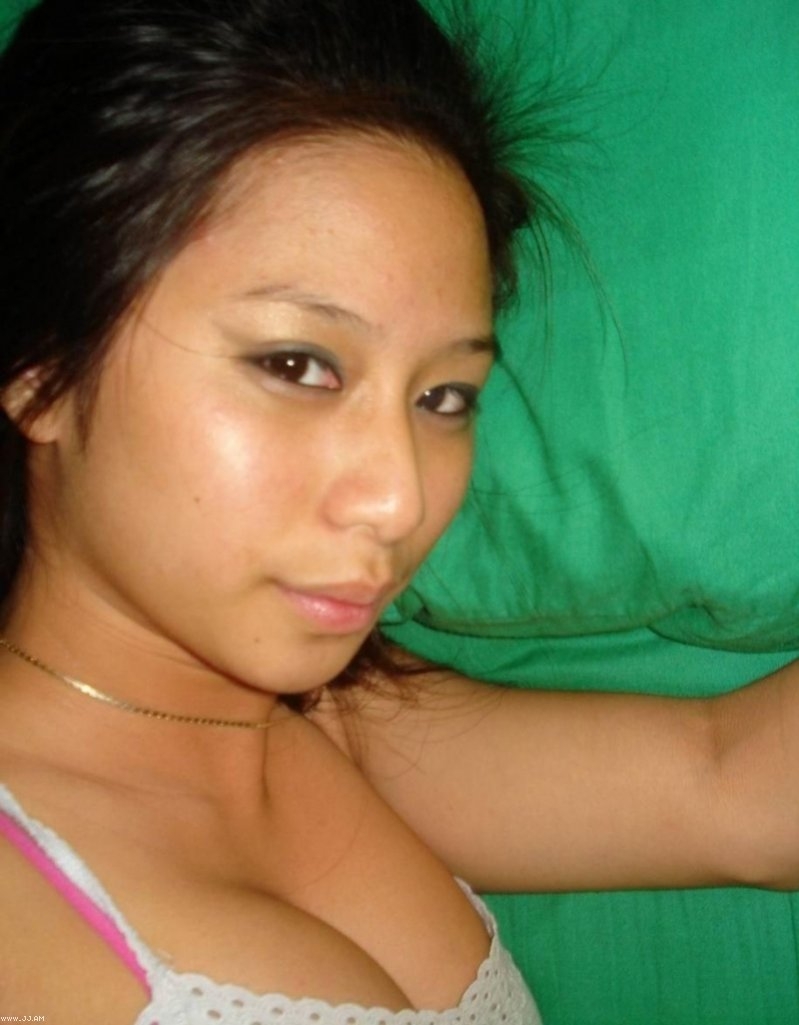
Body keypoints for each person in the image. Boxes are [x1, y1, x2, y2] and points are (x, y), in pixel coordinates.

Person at [0, 1, 796, 1022]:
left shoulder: (339, 723)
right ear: (40, 368)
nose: (403, 496)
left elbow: (731, 786)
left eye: (443, 396)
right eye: (297, 365)